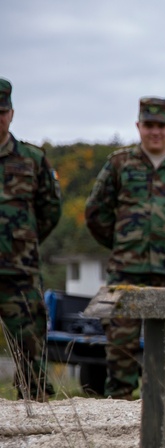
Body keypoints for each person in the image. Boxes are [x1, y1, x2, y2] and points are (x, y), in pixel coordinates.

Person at [85, 97, 165, 399]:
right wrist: (122, 244)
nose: (155, 132)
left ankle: (162, 417)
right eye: (148, 125)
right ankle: (118, 418)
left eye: (161, 126)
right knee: (120, 350)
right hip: (125, 272)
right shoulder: (120, 164)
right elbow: (95, 212)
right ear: (138, 126)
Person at [0, 78, 62, 400]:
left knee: (31, 354)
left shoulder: (32, 159)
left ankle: (36, 427)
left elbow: (50, 210)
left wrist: (25, 242)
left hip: (19, 275)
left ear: (11, 114)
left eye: (2, 112)